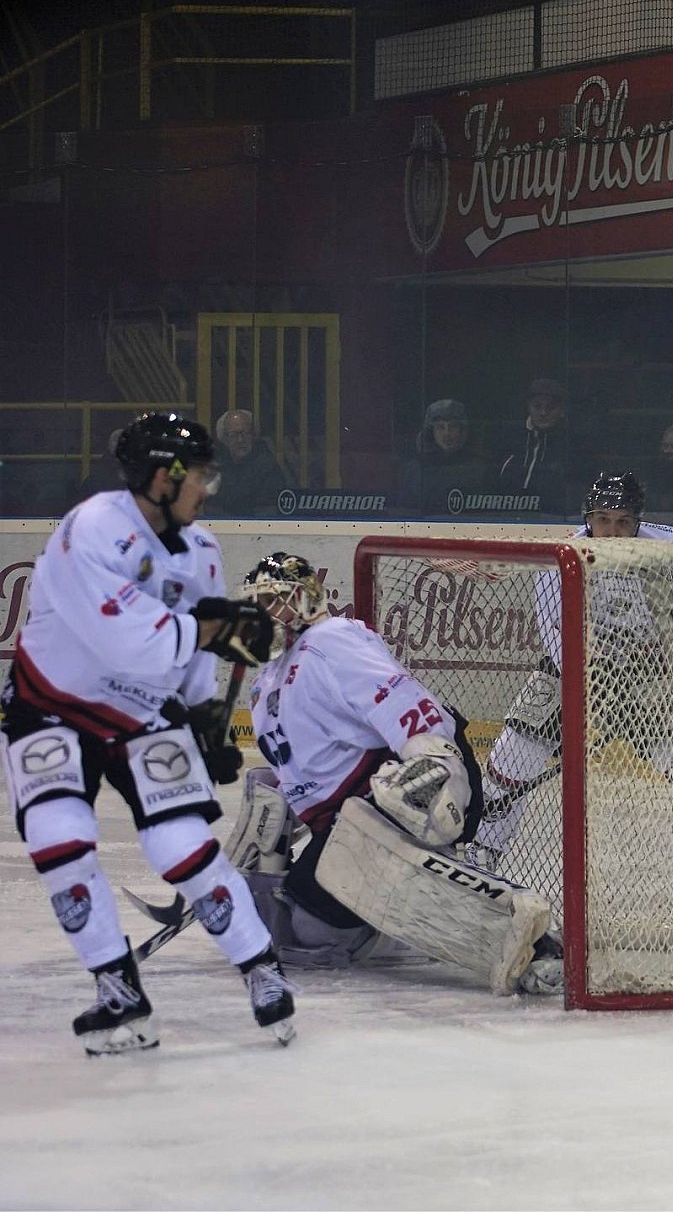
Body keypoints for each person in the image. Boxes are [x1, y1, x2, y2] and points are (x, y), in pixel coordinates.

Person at [0, 411, 294, 1054]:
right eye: (201, 477)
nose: (209, 489)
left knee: (180, 843)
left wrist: (204, 716)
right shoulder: (93, 528)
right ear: (164, 478)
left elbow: (194, 650)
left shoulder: (202, 549)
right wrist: (216, 629)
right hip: (50, 705)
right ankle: (117, 988)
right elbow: (125, 641)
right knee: (58, 837)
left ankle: (262, 969)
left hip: (141, 709)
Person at [236, 552, 560, 995]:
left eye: (275, 600)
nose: (264, 614)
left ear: (307, 599)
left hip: (405, 789)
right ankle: (401, 924)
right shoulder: (264, 684)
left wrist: (437, 766)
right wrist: (272, 824)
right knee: (303, 930)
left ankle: (529, 936)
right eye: (258, 604)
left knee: (325, 904)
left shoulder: (331, 640)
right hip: (345, 824)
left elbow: (406, 704)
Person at [466, 470, 673, 867]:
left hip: (651, 673)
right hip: (578, 669)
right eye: (603, 520)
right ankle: (483, 851)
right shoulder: (560, 560)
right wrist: (592, 682)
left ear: (637, 522)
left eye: (622, 521)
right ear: (588, 520)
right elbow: (557, 638)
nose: (612, 531)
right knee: (515, 751)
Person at [496, 378, 576, 516]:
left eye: (550, 407)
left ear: (562, 410)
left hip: (554, 518)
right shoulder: (508, 441)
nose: (543, 413)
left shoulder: (573, 446)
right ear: (528, 407)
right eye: (537, 406)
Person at [399, 398, 486, 515]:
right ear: (431, 432)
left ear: (462, 431)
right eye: (440, 427)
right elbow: (406, 512)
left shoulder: (479, 468)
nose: (447, 434)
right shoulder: (415, 469)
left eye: (453, 426)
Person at [208, 409, 291, 516]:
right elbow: (211, 506)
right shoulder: (217, 466)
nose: (240, 440)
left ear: (254, 435)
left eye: (245, 433)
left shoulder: (268, 466)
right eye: (233, 435)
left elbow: (269, 509)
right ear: (224, 439)